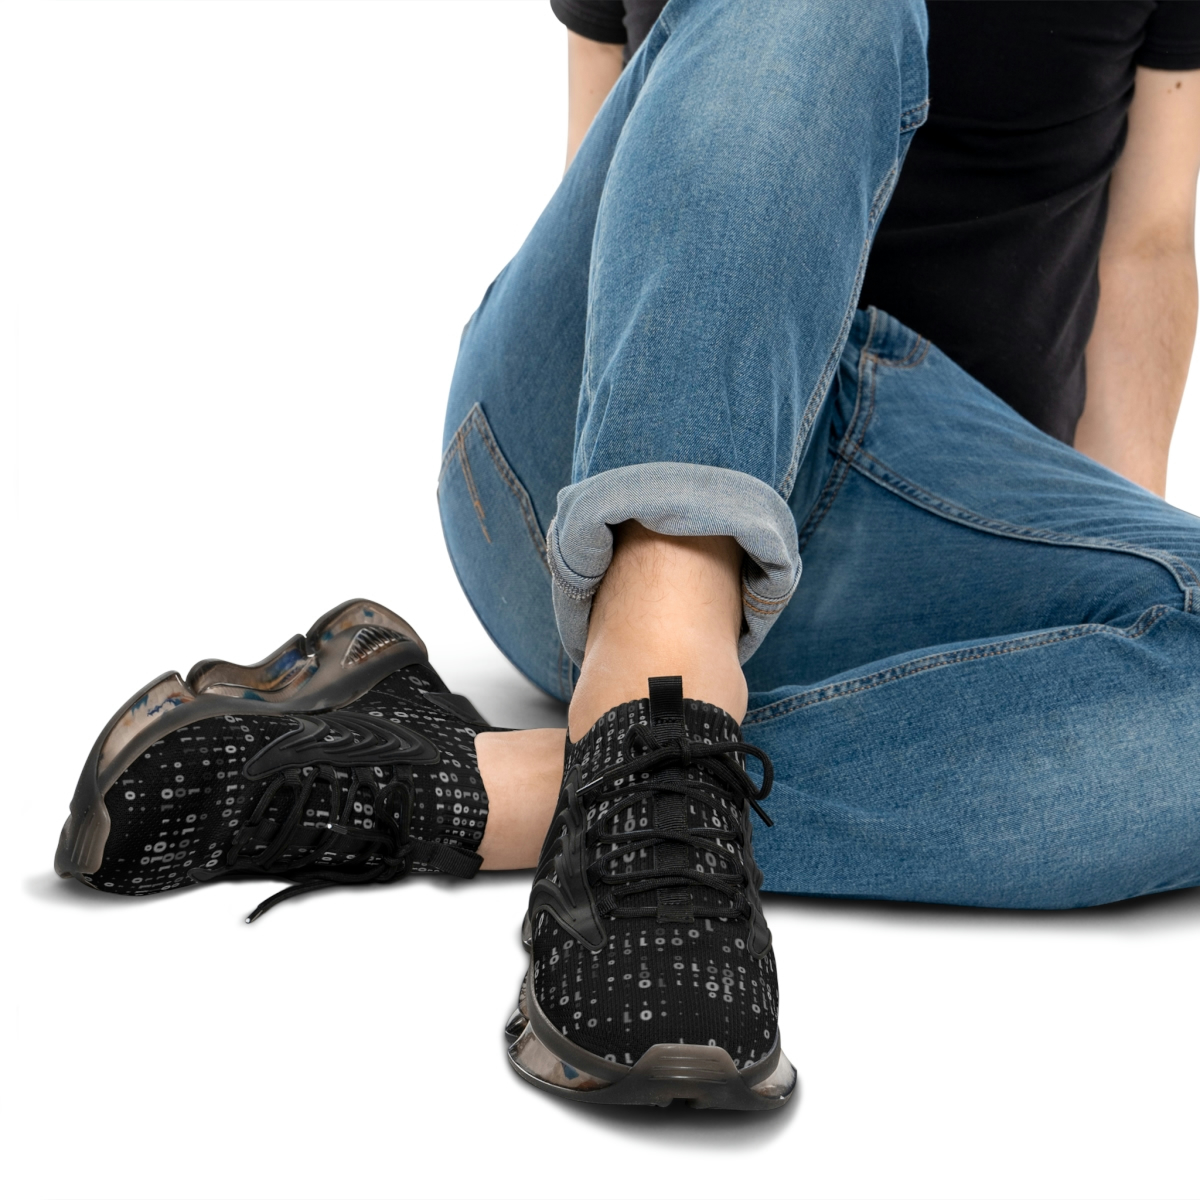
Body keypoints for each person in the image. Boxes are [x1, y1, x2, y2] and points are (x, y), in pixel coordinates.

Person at [55, 1, 1200, 1111]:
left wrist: (1095, 628)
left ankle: (504, 784)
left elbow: (1149, 244)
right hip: (580, 470)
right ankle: (659, 668)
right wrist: (675, 453)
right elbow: (602, 166)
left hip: (910, 511)